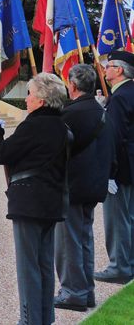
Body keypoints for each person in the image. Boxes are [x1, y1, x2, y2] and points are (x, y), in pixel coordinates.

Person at [0, 72, 70, 325]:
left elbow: (2, 154)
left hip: (29, 201)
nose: (27, 99)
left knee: (28, 268)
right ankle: (44, 317)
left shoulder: (34, 124)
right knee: (44, 264)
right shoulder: (62, 126)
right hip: (50, 200)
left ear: (42, 100)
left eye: (30, 94)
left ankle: (29, 319)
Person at [54, 64, 116, 311]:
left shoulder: (70, 113)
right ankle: (86, 290)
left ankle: (73, 292)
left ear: (73, 85)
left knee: (69, 243)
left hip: (73, 186)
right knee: (84, 239)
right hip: (94, 184)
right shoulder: (101, 110)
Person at [96, 51, 134, 285]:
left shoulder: (119, 97)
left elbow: (114, 136)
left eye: (108, 66)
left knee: (118, 219)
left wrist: (109, 172)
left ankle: (119, 266)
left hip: (120, 168)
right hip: (131, 164)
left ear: (119, 70)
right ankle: (129, 262)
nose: (105, 70)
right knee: (129, 216)